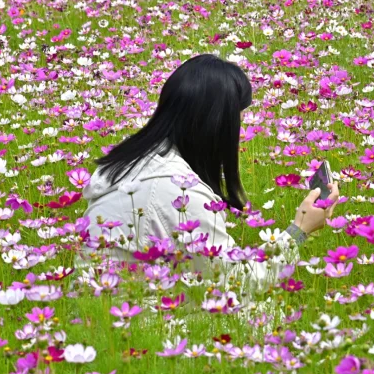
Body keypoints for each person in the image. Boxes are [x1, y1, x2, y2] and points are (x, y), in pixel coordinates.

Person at [83, 54, 338, 288]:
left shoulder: (133, 162)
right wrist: (299, 230)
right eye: (235, 120)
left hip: (107, 309)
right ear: (216, 124)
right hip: (134, 321)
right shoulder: (176, 190)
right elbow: (236, 280)